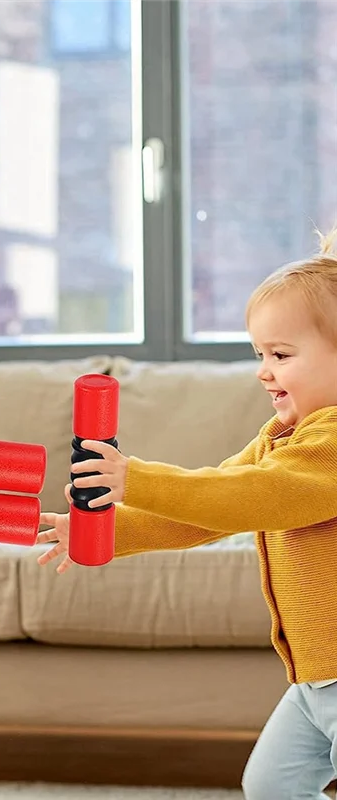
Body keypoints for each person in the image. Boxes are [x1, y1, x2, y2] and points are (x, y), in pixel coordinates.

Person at [37, 229, 337, 799]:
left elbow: (256, 496)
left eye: (281, 355)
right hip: (314, 678)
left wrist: (136, 478)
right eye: (259, 355)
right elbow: (213, 506)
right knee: (271, 786)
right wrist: (107, 533)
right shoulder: (282, 436)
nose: (263, 371)